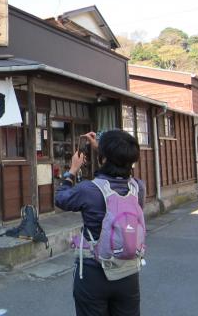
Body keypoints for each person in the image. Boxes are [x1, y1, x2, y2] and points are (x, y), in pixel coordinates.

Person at [55, 130, 145, 316]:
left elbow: (61, 199)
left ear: (103, 158)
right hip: (128, 273)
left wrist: (72, 171)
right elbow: (122, 169)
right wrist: (103, 151)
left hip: (93, 272)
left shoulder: (89, 189)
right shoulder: (138, 188)